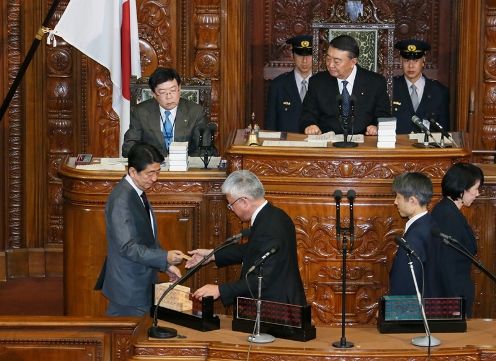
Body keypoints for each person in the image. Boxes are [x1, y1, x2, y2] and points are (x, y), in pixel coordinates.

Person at [185, 170, 307, 306]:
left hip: (279, 310)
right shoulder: (274, 215)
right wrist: (211, 255)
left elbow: (264, 279)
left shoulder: (269, 227)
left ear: (244, 201)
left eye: (231, 205)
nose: (231, 209)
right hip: (279, 303)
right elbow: (252, 249)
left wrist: (220, 289)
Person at [95, 142, 187, 316]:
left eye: (157, 172)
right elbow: (127, 247)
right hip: (128, 287)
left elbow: (147, 236)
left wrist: (165, 264)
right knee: (124, 339)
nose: (154, 179)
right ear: (132, 172)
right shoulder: (121, 200)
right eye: (150, 173)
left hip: (140, 280)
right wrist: (164, 256)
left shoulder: (136, 191)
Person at [299, 34, 390, 136]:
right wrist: (310, 125)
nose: (330, 65)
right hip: (328, 145)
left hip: (364, 144)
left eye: (337, 61)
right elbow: (307, 114)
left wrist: (377, 127)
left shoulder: (375, 82)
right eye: (328, 59)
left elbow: (384, 116)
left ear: (353, 62)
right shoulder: (317, 82)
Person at [431, 163, 484, 317]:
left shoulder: (447, 210)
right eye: (475, 189)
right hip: (452, 300)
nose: (477, 194)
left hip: (455, 295)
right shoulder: (448, 216)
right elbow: (446, 264)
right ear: (462, 190)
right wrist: (454, 305)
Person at [122, 67, 206, 157]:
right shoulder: (141, 112)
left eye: (173, 90)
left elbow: (204, 147)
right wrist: (149, 160)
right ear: (154, 94)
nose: (169, 96)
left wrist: (183, 162)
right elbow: (128, 147)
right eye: (162, 92)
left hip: (184, 167)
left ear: (179, 89)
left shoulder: (195, 112)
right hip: (152, 166)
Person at [389, 172, 441, 297]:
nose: (395, 202)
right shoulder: (430, 223)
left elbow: (404, 282)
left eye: (398, 197)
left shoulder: (415, 237)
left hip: (412, 311)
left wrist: (393, 311)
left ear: (412, 201)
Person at [392, 39, 450, 134]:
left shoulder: (439, 91)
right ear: (401, 61)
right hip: (399, 147)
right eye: (406, 60)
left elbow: (444, 130)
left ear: (423, 61)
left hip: (428, 147)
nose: (411, 66)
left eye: (415, 61)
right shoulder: (390, 88)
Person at [265, 35, 313, 132]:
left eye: (309, 54)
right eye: (300, 54)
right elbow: (271, 125)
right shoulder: (278, 85)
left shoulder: (323, 85)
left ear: (316, 56)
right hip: (286, 145)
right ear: (292, 55)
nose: (304, 60)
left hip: (316, 145)